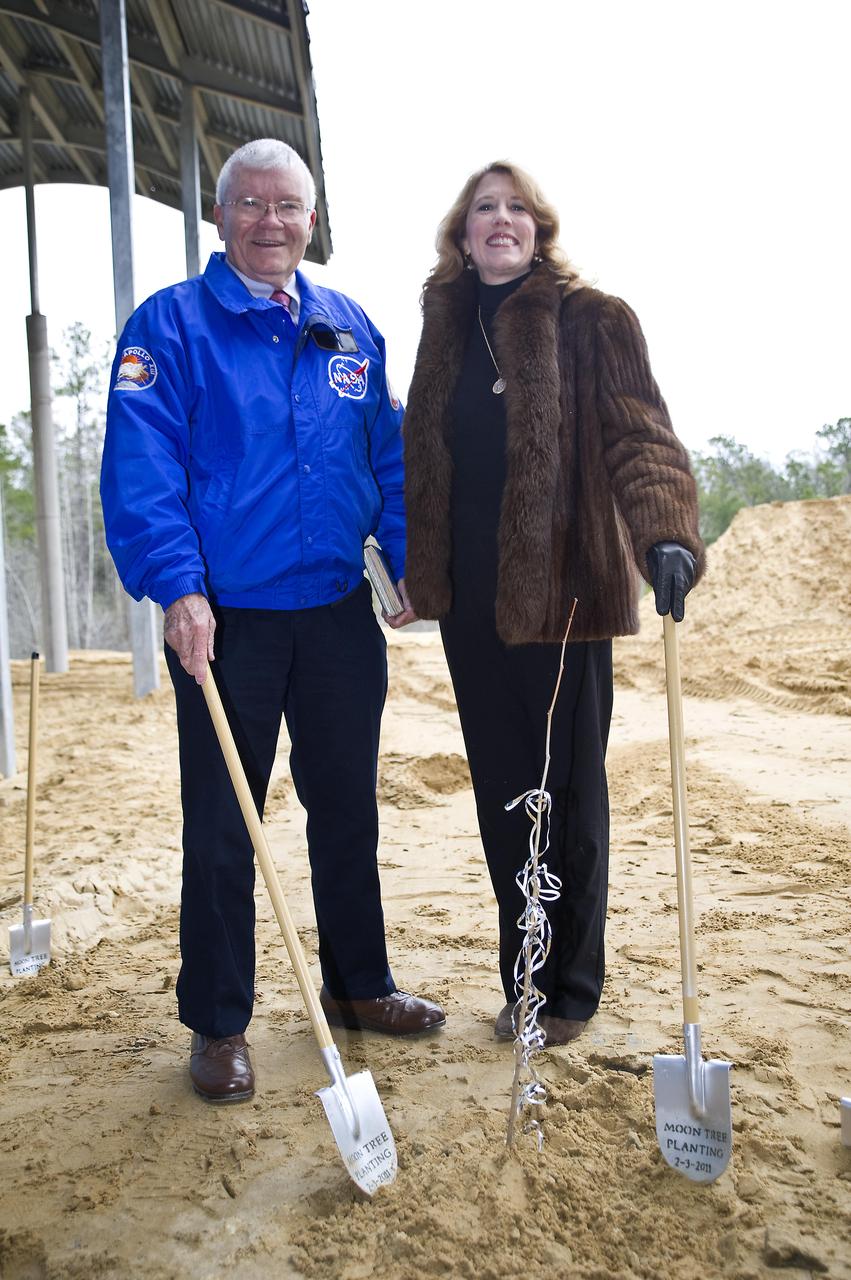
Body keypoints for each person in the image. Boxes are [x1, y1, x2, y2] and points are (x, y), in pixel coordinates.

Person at [101, 138, 445, 1104]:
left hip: (337, 616)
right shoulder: (167, 328)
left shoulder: (350, 327)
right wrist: (178, 588)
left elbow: (390, 458)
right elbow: (142, 469)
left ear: (309, 219)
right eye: (250, 205)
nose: (269, 223)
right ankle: (218, 1022)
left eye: (287, 207)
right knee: (223, 825)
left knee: (346, 810)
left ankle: (358, 984)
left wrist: (410, 564)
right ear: (221, 218)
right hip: (228, 623)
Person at [402, 161, 704, 1046]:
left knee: (564, 795)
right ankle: (522, 980)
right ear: (461, 236)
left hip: (563, 596)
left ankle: (568, 988)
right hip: (472, 604)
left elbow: (640, 434)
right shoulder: (445, 329)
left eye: (516, 209)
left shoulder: (591, 320)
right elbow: (423, 457)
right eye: (482, 210)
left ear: (540, 228)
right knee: (504, 794)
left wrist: (666, 536)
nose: (500, 221)